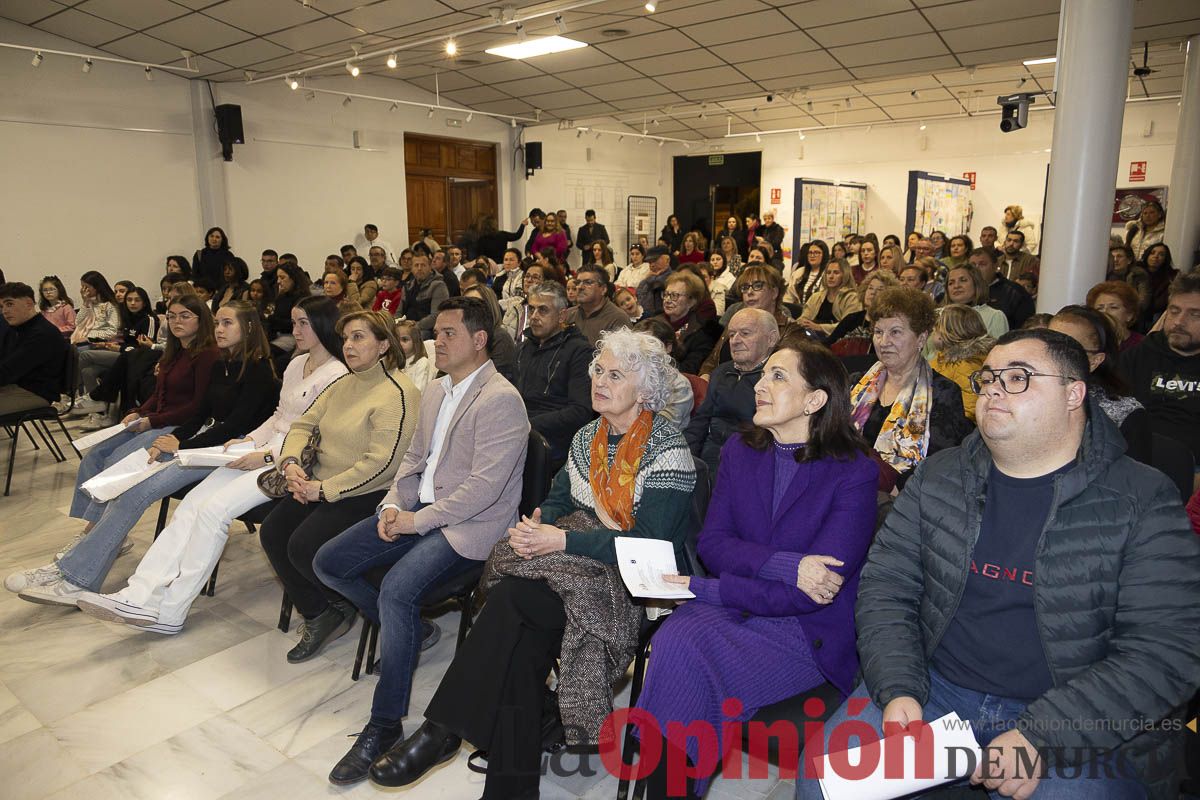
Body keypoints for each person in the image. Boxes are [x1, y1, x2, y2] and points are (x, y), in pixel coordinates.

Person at [800, 328, 1200, 800]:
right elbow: (888, 587)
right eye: (989, 376)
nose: (992, 387)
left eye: (1018, 377)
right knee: (823, 784)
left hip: (1068, 713)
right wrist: (899, 686)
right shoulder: (939, 476)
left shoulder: (1141, 498)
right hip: (936, 692)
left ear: (1074, 394)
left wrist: (1042, 737)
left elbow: (1165, 649)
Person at [374, 328, 695, 797]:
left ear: (645, 391)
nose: (600, 381)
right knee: (520, 640)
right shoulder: (589, 437)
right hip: (572, 569)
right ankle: (492, 775)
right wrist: (541, 520)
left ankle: (444, 730)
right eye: (598, 371)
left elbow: (649, 542)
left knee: (512, 602)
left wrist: (561, 538)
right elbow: (561, 498)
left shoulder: (668, 451)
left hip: (635, 583)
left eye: (616, 375)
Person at [640, 338, 878, 800]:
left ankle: (668, 790)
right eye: (763, 375)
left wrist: (707, 591)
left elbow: (812, 594)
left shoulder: (853, 472)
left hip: (803, 632)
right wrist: (789, 565)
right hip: (740, 601)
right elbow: (713, 544)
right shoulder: (741, 451)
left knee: (684, 648)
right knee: (674, 643)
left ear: (814, 400)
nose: (760, 386)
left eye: (777, 376)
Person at [312, 296, 529, 786]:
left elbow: (484, 490)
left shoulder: (501, 400)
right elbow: (412, 463)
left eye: (450, 333)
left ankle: (385, 724)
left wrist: (417, 521)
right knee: (329, 562)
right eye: (438, 334)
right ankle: (407, 631)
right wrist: (392, 506)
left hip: (470, 527)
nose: (439, 342)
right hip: (419, 511)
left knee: (396, 590)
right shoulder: (434, 390)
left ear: (479, 340)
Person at [74, 297, 347, 633]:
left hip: (288, 462)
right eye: (293, 322)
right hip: (261, 449)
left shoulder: (337, 373)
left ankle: (172, 610)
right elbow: (279, 417)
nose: (295, 330)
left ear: (322, 324)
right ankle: (138, 594)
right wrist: (248, 440)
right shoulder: (296, 364)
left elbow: (313, 433)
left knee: (213, 512)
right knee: (191, 505)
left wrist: (265, 455)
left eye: (303, 323)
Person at [12, 301, 276, 605]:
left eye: (227, 323)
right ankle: (74, 571)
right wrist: (172, 437)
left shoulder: (258, 369)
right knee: (128, 484)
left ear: (250, 328)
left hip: (232, 449)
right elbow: (201, 414)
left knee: (139, 492)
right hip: (205, 441)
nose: (218, 329)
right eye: (217, 322)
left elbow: (237, 424)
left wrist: (182, 445)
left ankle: (75, 576)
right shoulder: (222, 364)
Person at [258, 310, 420, 663]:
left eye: (359, 337)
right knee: (272, 533)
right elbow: (303, 424)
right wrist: (291, 465)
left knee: (303, 546)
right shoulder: (344, 382)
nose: (348, 345)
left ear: (383, 345)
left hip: (370, 493)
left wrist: (323, 489)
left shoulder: (398, 393)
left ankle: (364, 609)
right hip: (322, 483)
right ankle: (322, 612)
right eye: (346, 338)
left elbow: (383, 464)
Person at [850, 287, 973, 491]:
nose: (884, 342)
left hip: (904, 501)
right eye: (878, 332)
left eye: (895, 332)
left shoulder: (943, 392)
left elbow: (938, 469)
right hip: (849, 489)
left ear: (921, 339)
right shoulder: (856, 383)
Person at [1050, 305, 1152, 465]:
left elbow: (1132, 482)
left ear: (1094, 361)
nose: (1050, 356)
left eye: (1065, 349)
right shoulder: (1020, 395)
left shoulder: (1124, 414)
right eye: (1045, 344)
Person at [1120, 272, 1200, 473]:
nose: (1179, 322)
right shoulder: (1138, 356)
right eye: (1174, 311)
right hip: (1132, 461)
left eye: (1195, 314)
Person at [685, 307, 777, 474]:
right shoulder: (721, 372)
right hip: (710, 456)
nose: (735, 341)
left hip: (751, 459)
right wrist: (685, 457)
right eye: (732, 334)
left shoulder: (776, 379)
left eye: (745, 333)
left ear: (771, 339)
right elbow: (701, 421)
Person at [513, 282, 593, 471]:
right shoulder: (522, 348)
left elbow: (580, 411)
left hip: (554, 439)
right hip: (518, 429)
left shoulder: (579, 351)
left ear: (562, 315)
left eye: (543, 310)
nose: (534, 317)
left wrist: (527, 425)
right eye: (531, 309)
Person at [0, 282, 69, 416]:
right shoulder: (18, 329)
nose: (4, 311)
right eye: (1, 307)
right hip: (18, 388)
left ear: (29, 303)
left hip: (35, 394)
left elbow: (7, 372)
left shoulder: (41, 334)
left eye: (9, 304)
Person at [928, 303, 993, 422]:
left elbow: (970, 409)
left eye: (936, 329)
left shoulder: (967, 366)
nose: (932, 333)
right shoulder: (941, 360)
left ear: (949, 333)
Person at [826, 270, 899, 365]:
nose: (873, 293)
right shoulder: (852, 318)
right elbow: (829, 343)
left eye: (880, 290)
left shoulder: (888, 324)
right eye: (870, 288)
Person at [656, 271, 722, 374]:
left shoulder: (702, 333)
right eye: (666, 294)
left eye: (674, 295)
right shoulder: (653, 322)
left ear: (692, 301)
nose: (667, 300)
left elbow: (689, 370)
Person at [565, 264, 629, 346]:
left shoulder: (617, 318)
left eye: (588, 282)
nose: (580, 287)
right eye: (578, 283)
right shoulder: (568, 314)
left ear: (603, 289)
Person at [973, 246, 1035, 330]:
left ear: (995, 266)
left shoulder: (1015, 292)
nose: (976, 269)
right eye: (972, 265)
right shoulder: (964, 293)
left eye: (982, 264)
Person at [946, 262, 1009, 339]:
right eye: (951, 283)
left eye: (963, 280)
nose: (956, 286)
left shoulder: (994, 316)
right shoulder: (941, 316)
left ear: (976, 283)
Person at [798, 260, 861, 336]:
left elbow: (847, 326)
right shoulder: (816, 296)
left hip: (837, 339)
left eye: (836, 273)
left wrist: (820, 327)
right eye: (828, 273)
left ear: (845, 275)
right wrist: (803, 322)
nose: (831, 276)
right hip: (812, 336)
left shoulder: (852, 297)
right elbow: (803, 318)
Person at [267, 262, 312, 358]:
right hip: (277, 335)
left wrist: (272, 319)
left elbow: (295, 324)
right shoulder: (281, 295)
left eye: (282, 278)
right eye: (278, 277)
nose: (278, 281)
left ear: (293, 279)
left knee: (267, 353)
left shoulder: (302, 298)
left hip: (293, 337)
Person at [1087, 280, 1144, 352]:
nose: (1105, 312)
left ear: (1129, 315)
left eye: (1113, 307)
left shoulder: (1142, 345)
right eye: (1100, 308)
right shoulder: (1088, 341)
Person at [70, 271, 121, 349]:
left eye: (86, 287)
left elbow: (112, 331)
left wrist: (89, 337)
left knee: (77, 351)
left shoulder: (110, 305)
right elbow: (78, 323)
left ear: (97, 287)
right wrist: (85, 303)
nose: (83, 290)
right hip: (83, 337)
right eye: (82, 287)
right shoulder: (89, 302)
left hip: (101, 341)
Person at [1107, 243, 1151, 318]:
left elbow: (1143, 301)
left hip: (1131, 314)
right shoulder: (1104, 274)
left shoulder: (1139, 275)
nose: (1115, 260)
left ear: (1129, 260)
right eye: (1112, 257)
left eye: (1119, 256)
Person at [1141, 242, 1179, 329]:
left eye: (1161, 254)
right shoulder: (1136, 273)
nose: (1156, 256)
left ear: (1165, 258)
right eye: (1152, 253)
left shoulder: (1171, 276)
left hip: (1158, 314)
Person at [392, 319, 435, 392]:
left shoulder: (422, 363)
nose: (399, 343)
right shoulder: (395, 362)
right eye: (397, 340)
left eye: (404, 340)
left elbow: (419, 390)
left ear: (415, 342)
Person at [785, 240, 829, 306]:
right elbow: (789, 296)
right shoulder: (798, 273)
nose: (812, 255)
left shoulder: (828, 273)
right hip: (799, 311)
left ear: (824, 255)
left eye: (817, 252)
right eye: (810, 252)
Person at [636, 245, 674, 319]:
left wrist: (649, 279)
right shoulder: (646, 279)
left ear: (667, 260)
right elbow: (639, 297)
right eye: (650, 262)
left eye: (655, 260)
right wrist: (647, 279)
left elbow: (659, 284)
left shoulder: (674, 278)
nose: (652, 265)